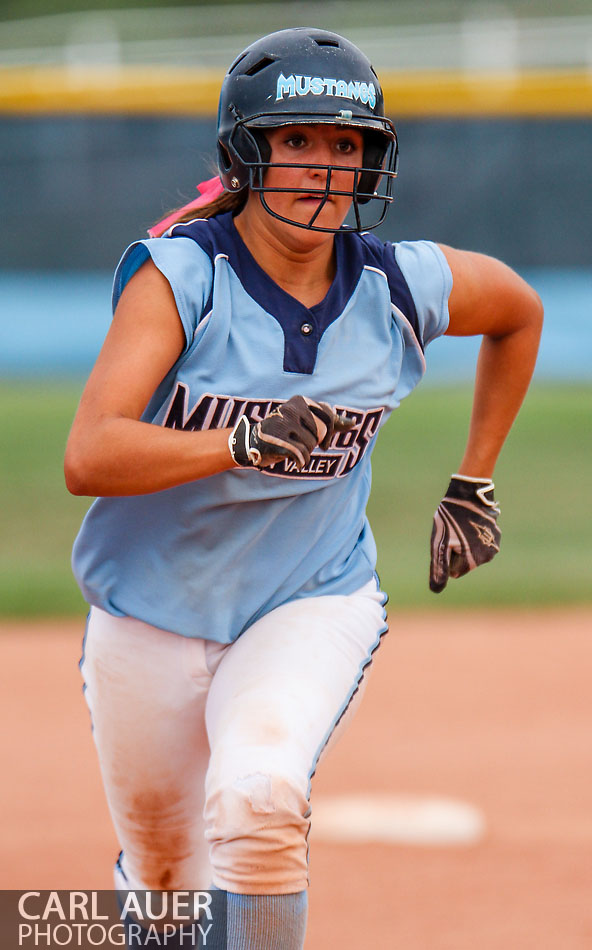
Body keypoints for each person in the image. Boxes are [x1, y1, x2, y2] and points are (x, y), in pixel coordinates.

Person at [65, 26, 542, 950]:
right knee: (168, 890)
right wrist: (236, 441)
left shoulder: (400, 285)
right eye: (297, 141)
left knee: (259, 797)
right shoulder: (183, 279)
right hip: (147, 610)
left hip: (308, 598)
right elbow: (91, 454)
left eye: (345, 144)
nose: (325, 166)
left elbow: (516, 310)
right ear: (246, 153)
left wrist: (473, 477)